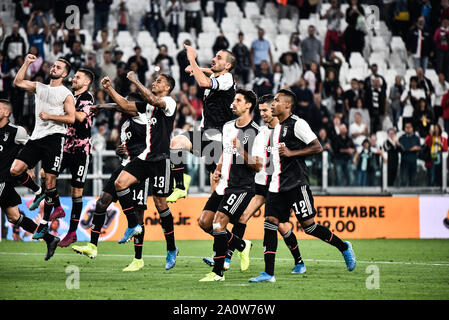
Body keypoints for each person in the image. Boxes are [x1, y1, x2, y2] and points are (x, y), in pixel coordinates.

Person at [249, 89, 356, 283]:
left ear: (287, 105)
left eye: (276, 101)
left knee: (309, 227)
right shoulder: (275, 129)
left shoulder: (298, 124)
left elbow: (317, 147)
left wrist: (292, 153)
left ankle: (343, 247)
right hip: (276, 185)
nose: (273, 104)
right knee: (270, 223)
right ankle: (268, 273)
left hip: (297, 184)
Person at [206, 94, 306, 274]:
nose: (264, 114)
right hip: (260, 185)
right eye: (261, 111)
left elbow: (262, 161)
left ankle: (299, 261)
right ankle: (228, 256)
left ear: (275, 110)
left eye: (266, 110)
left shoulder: (282, 131)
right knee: (242, 217)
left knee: (282, 226)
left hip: (278, 184)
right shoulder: (261, 131)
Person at [101, 71, 179, 268]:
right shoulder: (148, 108)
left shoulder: (169, 103)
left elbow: (153, 99)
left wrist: (135, 80)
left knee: (161, 206)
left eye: (159, 81)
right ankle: (133, 225)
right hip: (145, 157)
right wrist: (109, 88)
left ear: (167, 88)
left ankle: (171, 248)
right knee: (120, 183)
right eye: (154, 80)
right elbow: (125, 105)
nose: (155, 82)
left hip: (161, 160)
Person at [72, 93, 151, 271]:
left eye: (126, 103)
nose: (123, 106)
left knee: (138, 215)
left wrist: (99, 107)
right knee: (102, 203)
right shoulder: (124, 124)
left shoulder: (143, 117)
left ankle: (138, 259)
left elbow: (117, 106)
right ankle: (92, 247)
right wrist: (119, 150)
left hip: (140, 169)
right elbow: (123, 148)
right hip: (123, 167)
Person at [199, 88, 262, 282]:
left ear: (248, 105)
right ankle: (242, 245)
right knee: (204, 222)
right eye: (234, 100)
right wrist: (218, 168)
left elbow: (258, 165)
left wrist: (241, 151)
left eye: (238, 100)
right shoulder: (227, 126)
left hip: (241, 186)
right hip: (224, 183)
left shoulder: (256, 132)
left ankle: (217, 273)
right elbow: (226, 152)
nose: (233, 103)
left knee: (218, 224)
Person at [11, 55, 75, 242]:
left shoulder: (66, 93)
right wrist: (27, 63)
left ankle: (45, 224)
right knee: (16, 170)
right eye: (54, 65)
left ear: (64, 74)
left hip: (55, 139)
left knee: (50, 180)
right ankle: (38, 192)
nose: (54, 68)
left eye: (59, 67)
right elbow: (18, 82)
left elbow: (70, 118)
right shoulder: (40, 87)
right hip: (36, 138)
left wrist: (49, 116)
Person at [168, 45, 236, 202]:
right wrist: (198, 68)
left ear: (228, 66)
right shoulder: (219, 77)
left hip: (219, 138)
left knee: (216, 188)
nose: (213, 59)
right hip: (207, 134)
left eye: (219, 57)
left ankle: (218, 222)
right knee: (176, 143)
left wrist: (192, 59)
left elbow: (204, 83)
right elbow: (212, 75)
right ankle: (180, 185)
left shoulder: (227, 78)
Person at [0, 99, 60, 260]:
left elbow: (32, 148)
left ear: (7, 112)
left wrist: (30, 166)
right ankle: (50, 239)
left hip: (3, 181)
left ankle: (38, 190)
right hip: (4, 183)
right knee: (13, 216)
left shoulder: (16, 131)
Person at [55, 69, 95, 247]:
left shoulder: (87, 97)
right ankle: (57, 206)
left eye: (78, 77)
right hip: (65, 147)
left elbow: (78, 117)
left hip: (81, 149)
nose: (74, 78)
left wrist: (66, 108)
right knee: (45, 174)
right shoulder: (70, 96)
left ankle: (72, 233)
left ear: (86, 82)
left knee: (76, 192)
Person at [399, 122, 421, 186]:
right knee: (404, 180)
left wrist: (410, 149)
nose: (408, 129)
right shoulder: (401, 138)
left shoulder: (416, 138)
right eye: (406, 127)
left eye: (409, 127)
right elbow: (402, 149)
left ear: (412, 128)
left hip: (413, 161)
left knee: (413, 180)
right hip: (404, 161)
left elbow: (419, 148)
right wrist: (412, 149)